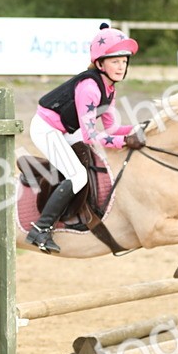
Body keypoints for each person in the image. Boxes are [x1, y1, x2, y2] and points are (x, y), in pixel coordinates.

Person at [26, 23, 147, 253]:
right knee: (78, 175)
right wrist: (125, 141)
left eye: (124, 61)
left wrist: (141, 128)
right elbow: (91, 135)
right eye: (115, 61)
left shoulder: (109, 88)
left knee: (91, 160)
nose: (121, 66)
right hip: (46, 129)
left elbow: (112, 128)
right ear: (100, 63)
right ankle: (40, 229)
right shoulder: (90, 88)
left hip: (67, 129)